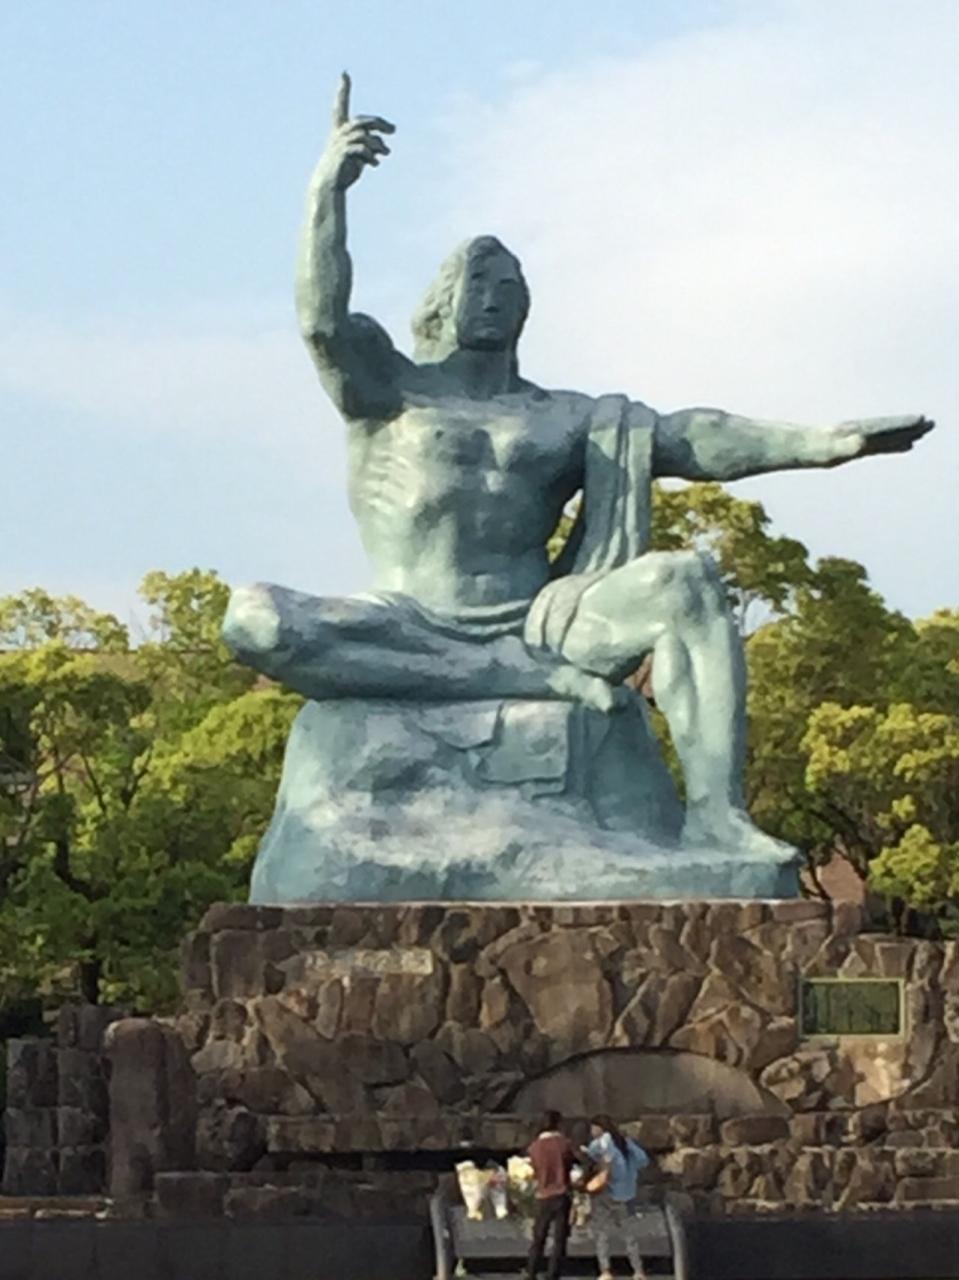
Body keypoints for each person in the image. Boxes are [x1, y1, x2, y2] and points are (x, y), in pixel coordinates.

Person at [223, 72, 933, 861]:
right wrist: (327, 191)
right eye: (478, 283)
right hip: (407, 619)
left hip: (541, 624)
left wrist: (821, 442)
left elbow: (689, 438)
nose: (495, 297)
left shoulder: (563, 418)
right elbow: (319, 322)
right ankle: (498, 676)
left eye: (510, 287)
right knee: (254, 619)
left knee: (686, 582)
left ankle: (715, 817)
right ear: (441, 300)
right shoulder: (389, 390)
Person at [585, 1115, 650, 1280]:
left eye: (593, 1128)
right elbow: (643, 1160)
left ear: (599, 1128)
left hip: (606, 1194)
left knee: (602, 1234)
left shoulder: (602, 1143)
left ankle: (606, 1271)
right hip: (627, 1195)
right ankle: (638, 1271)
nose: (591, 1131)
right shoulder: (627, 1144)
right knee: (630, 1235)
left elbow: (591, 1153)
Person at [525, 1110, 576, 1280]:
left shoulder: (534, 1147)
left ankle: (531, 1271)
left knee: (539, 1236)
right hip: (562, 1193)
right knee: (560, 1238)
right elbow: (576, 1162)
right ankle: (553, 1274)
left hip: (543, 1195)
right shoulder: (564, 1143)